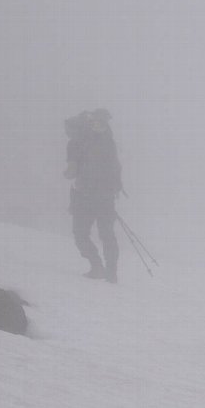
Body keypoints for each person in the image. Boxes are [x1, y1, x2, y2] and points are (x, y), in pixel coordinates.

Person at [64, 108, 122, 282]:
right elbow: (116, 166)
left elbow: (71, 172)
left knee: (81, 234)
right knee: (107, 234)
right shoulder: (108, 141)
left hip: (84, 196)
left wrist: (67, 173)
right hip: (106, 197)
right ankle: (111, 273)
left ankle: (97, 267)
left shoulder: (76, 142)